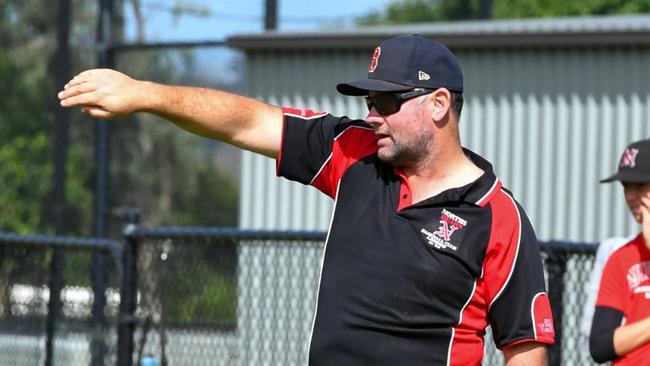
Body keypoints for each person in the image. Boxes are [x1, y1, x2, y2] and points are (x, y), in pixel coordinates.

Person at [59, 34, 555, 365]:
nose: (372, 115)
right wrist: (146, 94)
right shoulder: (355, 151)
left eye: (385, 102)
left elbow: (525, 350)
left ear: (439, 104)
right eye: (368, 103)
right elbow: (248, 120)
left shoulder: (498, 216)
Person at [591, 138, 650, 365]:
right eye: (626, 186)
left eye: (641, 185)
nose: (631, 196)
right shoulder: (622, 257)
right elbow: (600, 346)